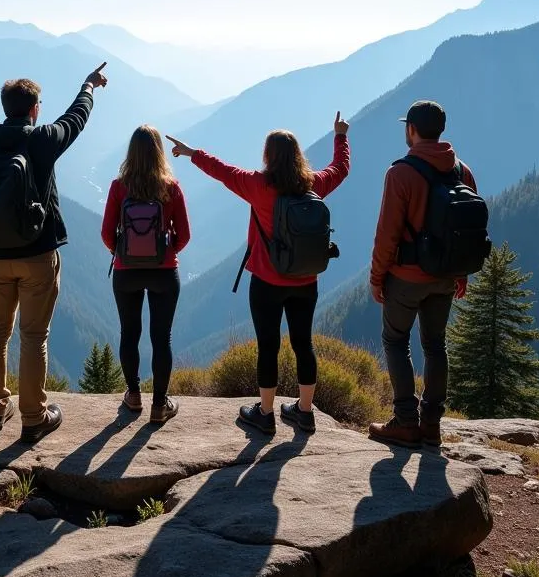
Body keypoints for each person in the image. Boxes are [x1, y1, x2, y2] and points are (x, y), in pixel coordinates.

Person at [167, 115, 350, 434]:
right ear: (298, 156)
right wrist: (340, 137)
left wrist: (190, 152)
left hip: (266, 282)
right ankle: (304, 412)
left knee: (268, 346)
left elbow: (222, 170)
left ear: (268, 156)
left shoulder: (257, 185)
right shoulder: (315, 185)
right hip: (306, 281)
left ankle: (265, 414)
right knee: (303, 344)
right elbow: (340, 168)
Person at [0, 63, 108, 444]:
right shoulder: (41, 140)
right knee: (33, 335)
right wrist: (88, 86)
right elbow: (76, 119)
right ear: (34, 109)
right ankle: (33, 417)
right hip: (38, 256)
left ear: (5, 107)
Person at [367, 100, 479, 450]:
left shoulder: (400, 173)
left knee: (396, 341)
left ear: (411, 130)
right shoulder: (462, 171)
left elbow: (387, 233)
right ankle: (431, 425)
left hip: (406, 277)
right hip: (445, 275)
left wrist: (376, 277)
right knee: (435, 345)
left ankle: (405, 422)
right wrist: (461, 273)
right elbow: (468, 229)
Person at [101, 125, 191, 424]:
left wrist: (123, 253)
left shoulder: (118, 186)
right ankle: (159, 405)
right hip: (164, 273)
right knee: (161, 337)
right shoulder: (171, 187)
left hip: (126, 273)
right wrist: (167, 251)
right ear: (158, 152)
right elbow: (185, 236)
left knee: (130, 333)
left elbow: (106, 234)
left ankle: (134, 395)